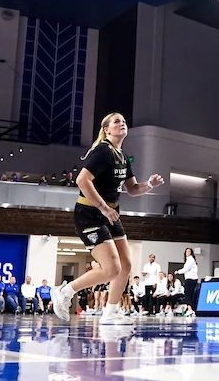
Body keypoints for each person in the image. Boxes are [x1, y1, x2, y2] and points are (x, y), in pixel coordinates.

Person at [49, 114, 164, 325]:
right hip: (89, 213)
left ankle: (110, 312)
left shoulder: (121, 154)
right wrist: (103, 207)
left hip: (110, 214)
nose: (122, 124)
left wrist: (149, 184)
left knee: (126, 265)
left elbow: (133, 188)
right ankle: (65, 291)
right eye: (117, 121)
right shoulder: (103, 150)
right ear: (107, 130)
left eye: (124, 122)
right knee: (111, 268)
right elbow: (82, 180)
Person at [174, 247, 199, 315]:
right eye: (186, 251)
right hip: (191, 279)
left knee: (187, 294)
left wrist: (178, 272)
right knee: (190, 295)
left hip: (190, 279)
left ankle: (190, 309)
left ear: (191, 253)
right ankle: (190, 309)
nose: (187, 253)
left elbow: (186, 269)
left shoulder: (190, 259)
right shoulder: (190, 260)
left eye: (189, 251)